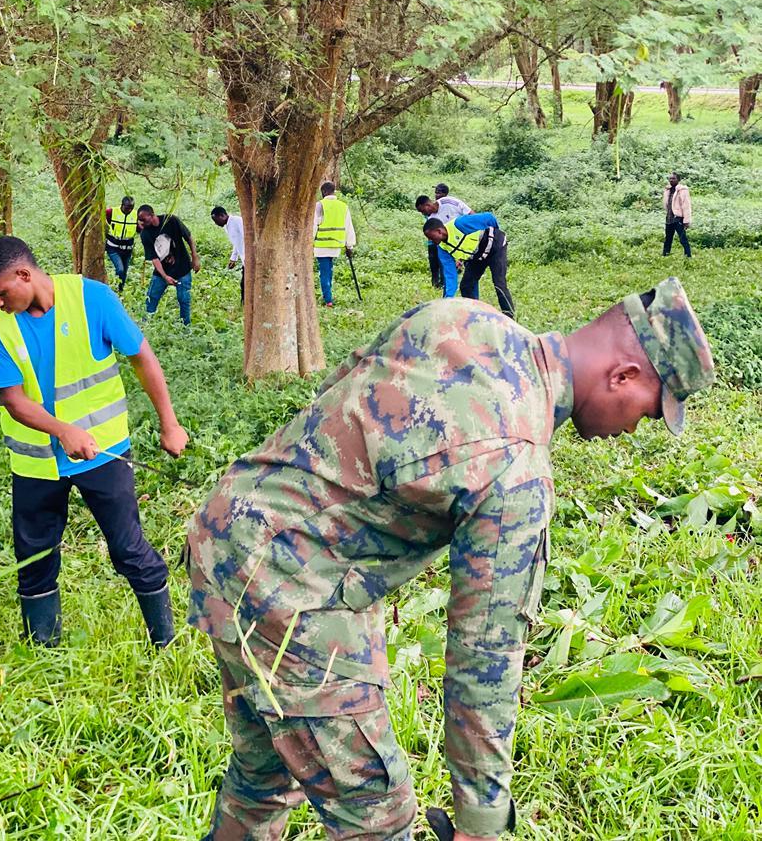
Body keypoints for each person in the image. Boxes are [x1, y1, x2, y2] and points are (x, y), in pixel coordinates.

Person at [185, 278, 713, 841]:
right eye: (648, 413)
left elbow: (341, 389)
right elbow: (484, 655)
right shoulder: (515, 466)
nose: (633, 428)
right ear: (623, 376)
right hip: (288, 590)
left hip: (226, 531)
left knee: (264, 775)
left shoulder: (463, 318)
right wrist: (480, 822)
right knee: (377, 816)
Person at [0, 236, 189, 648]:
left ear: (24, 275)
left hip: (104, 454)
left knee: (129, 550)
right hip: (36, 464)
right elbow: (13, 400)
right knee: (35, 559)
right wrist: (63, 430)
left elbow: (142, 358)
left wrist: (170, 424)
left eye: (0, 293)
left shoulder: (92, 298)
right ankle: (43, 650)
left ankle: (165, 644)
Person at [423, 213, 515, 318]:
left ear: (439, 231)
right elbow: (450, 276)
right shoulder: (442, 248)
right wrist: (446, 302)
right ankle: (475, 315)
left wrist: (496, 232)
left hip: (496, 247)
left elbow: (489, 218)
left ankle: (509, 316)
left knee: (499, 283)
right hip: (477, 256)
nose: (430, 241)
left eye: (431, 237)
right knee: (466, 286)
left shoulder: (460, 224)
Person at [137, 205, 200, 325]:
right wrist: (165, 276)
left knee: (184, 299)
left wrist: (195, 257)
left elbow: (188, 237)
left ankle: (185, 327)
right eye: (140, 220)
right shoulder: (145, 234)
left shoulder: (171, 220)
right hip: (162, 272)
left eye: (143, 220)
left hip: (182, 268)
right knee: (151, 298)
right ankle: (145, 325)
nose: (141, 223)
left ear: (152, 215)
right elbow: (154, 258)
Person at [415, 192, 475, 289]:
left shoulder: (448, 202)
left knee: (471, 271)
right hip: (452, 245)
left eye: (422, 211)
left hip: (468, 238)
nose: (423, 214)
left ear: (427, 205)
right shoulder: (431, 219)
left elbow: (471, 214)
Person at [313, 182, 356, 308]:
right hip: (336, 246)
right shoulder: (343, 206)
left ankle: (328, 300)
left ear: (324, 192)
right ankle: (328, 295)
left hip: (321, 245)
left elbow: (314, 226)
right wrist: (349, 246)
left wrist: (309, 242)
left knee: (324, 273)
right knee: (329, 270)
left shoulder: (319, 205)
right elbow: (349, 227)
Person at [211, 206, 245, 303]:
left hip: (249, 258)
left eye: (216, 220)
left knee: (245, 283)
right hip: (244, 259)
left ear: (222, 215)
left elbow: (246, 237)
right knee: (244, 284)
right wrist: (233, 258)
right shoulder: (227, 227)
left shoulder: (237, 221)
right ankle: (244, 305)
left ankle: (245, 304)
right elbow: (236, 243)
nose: (216, 223)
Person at [105, 195, 137, 291]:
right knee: (120, 269)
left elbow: (141, 228)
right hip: (113, 248)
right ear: (122, 205)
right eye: (127, 208)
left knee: (124, 272)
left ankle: (120, 290)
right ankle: (115, 287)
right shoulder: (111, 212)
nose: (129, 210)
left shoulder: (136, 215)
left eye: (131, 208)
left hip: (127, 250)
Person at [663, 172, 692, 258]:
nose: (671, 180)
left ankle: (688, 256)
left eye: (673, 178)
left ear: (678, 180)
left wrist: (686, 220)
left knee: (683, 239)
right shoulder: (667, 190)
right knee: (668, 239)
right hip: (669, 218)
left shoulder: (682, 190)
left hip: (678, 218)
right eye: (670, 178)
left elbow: (686, 206)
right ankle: (665, 254)